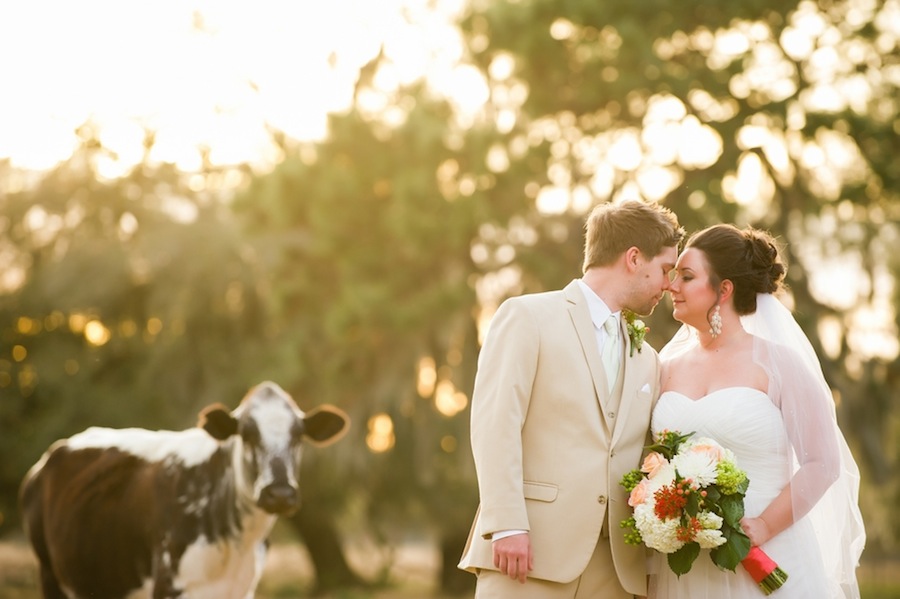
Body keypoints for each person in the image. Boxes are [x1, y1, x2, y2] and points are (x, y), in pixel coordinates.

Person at [458, 200, 684, 598]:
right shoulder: (528, 317)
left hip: (616, 571)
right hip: (528, 555)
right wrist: (508, 522)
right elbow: (496, 422)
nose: (669, 285)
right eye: (665, 269)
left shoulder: (647, 357)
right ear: (633, 258)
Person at [651, 224, 866, 598]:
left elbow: (823, 462)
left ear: (724, 289)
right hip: (686, 570)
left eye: (686, 276)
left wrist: (765, 525)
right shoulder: (664, 368)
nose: (672, 286)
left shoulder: (778, 363)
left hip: (770, 554)